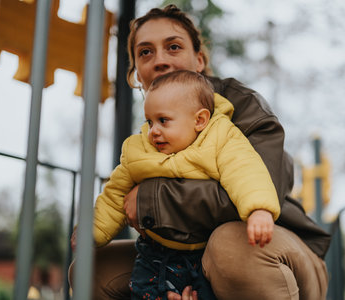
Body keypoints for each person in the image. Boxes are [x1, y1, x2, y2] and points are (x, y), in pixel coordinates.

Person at [70, 4, 331, 300]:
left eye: (173, 46)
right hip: (180, 255)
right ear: (136, 75)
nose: (159, 60)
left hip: (272, 247)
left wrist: (150, 201)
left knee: (229, 247)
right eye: (145, 52)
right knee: (90, 269)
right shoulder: (148, 137)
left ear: (199, 61)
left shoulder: (242, 110)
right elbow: (116, 192)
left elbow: (258, 185)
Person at [80, 69, 280, 299]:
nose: (153, 131)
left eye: (163, 120)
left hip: (204, 253)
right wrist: (93, 230)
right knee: (146, 293)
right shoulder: (138, 149)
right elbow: (115, 192)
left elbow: (244, 170)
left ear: (199, 120)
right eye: (150, 121)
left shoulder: (220, 138)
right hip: (153, 253)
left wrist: (259, 209)